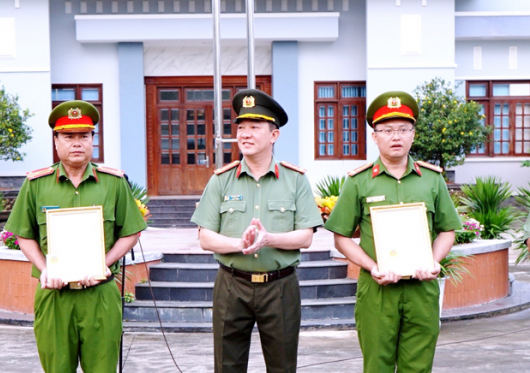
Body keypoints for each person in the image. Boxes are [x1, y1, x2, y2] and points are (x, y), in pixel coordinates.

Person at [5, 100, 147, 373]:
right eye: (68, 136)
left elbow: (131, 231)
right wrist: (45, 269)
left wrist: (103, 263)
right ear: (56, 141)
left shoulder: (114, 183)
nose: (77, 143)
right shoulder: (36, 185)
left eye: (84, 135)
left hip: (100, 293)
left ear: (93, 140)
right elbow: (23, 235)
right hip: (55, 295)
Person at [325, 91, 461, 373]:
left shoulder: (432, 180)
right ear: (374, 136)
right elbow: (341, 237)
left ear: (413, 134)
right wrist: (372, 266)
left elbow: (448, 230)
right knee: (377, 366)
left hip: (421, 288)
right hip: (377, 289)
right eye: (386, 130)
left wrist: (434, 261)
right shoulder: (358, 181)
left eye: (403, 129)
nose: (395, 136)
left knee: (418, 366)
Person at [191, 89, 323, 373]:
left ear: (274, 135)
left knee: (283, 366)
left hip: (280, 287)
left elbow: (306, 237)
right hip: (231, 285)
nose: (245, 134)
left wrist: (269, 239)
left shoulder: (295, 180)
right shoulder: (221, 180)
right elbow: (204, 237)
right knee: (227, 366)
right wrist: (242, 244)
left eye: (254, 127)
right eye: (241, 127)